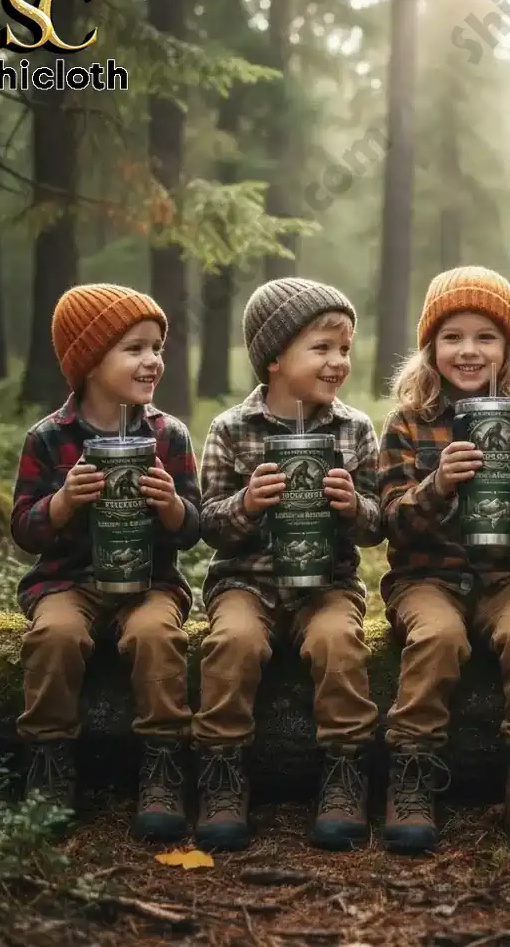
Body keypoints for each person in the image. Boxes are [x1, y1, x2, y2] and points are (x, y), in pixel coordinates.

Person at [378, 266, 510, 854]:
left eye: (486, 337)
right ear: (430, 347)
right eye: (452, 336)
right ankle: (411, 771)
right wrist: (437, 485)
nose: (468, 350)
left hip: (504, 574)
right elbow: (391, 521)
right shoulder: (407, 422)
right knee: (437, 638)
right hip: (424, 576)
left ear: (508, 348)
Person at [194, 278, 381, 852]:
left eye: (344, 349)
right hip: (245, 583)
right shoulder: (231, 429)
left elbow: (377, 525)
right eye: (321, 348)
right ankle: (222, 770)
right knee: (232, 644)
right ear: (274, 357)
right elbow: (208, 525)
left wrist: (353, 507)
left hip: (327, 583)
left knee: (339, 643)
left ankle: (344, 770)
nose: (337, 362)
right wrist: (247, 503)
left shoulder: (354, 429)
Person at [12, 284, 200, 841]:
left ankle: (163, 761)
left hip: (151, 584)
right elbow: (24, 529)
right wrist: (64, 502)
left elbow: (193, 529)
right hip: (67, 581)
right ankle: (49, 760)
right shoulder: (50, 438)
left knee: (155, 636)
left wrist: (170, 505)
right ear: (89, 360)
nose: (152, 361)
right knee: (55, 636)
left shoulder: (168, 436)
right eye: (134, 348)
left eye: (157, 348)